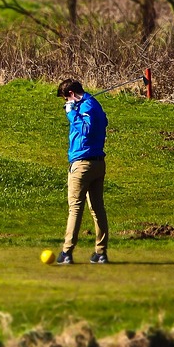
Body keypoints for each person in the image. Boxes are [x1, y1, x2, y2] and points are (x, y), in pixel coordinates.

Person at [55, 78, 109, 265]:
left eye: (65, 99)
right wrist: (76, 110)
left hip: (82, 164)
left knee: (75, 207)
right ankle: (100, 253)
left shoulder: (86, 107)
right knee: (97, 209)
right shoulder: (93, 104)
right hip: (98, 163)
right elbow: (104, 122)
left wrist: (72, 113)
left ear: (70, 94)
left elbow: (86, 130)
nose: (65, 103)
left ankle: (66, 252)